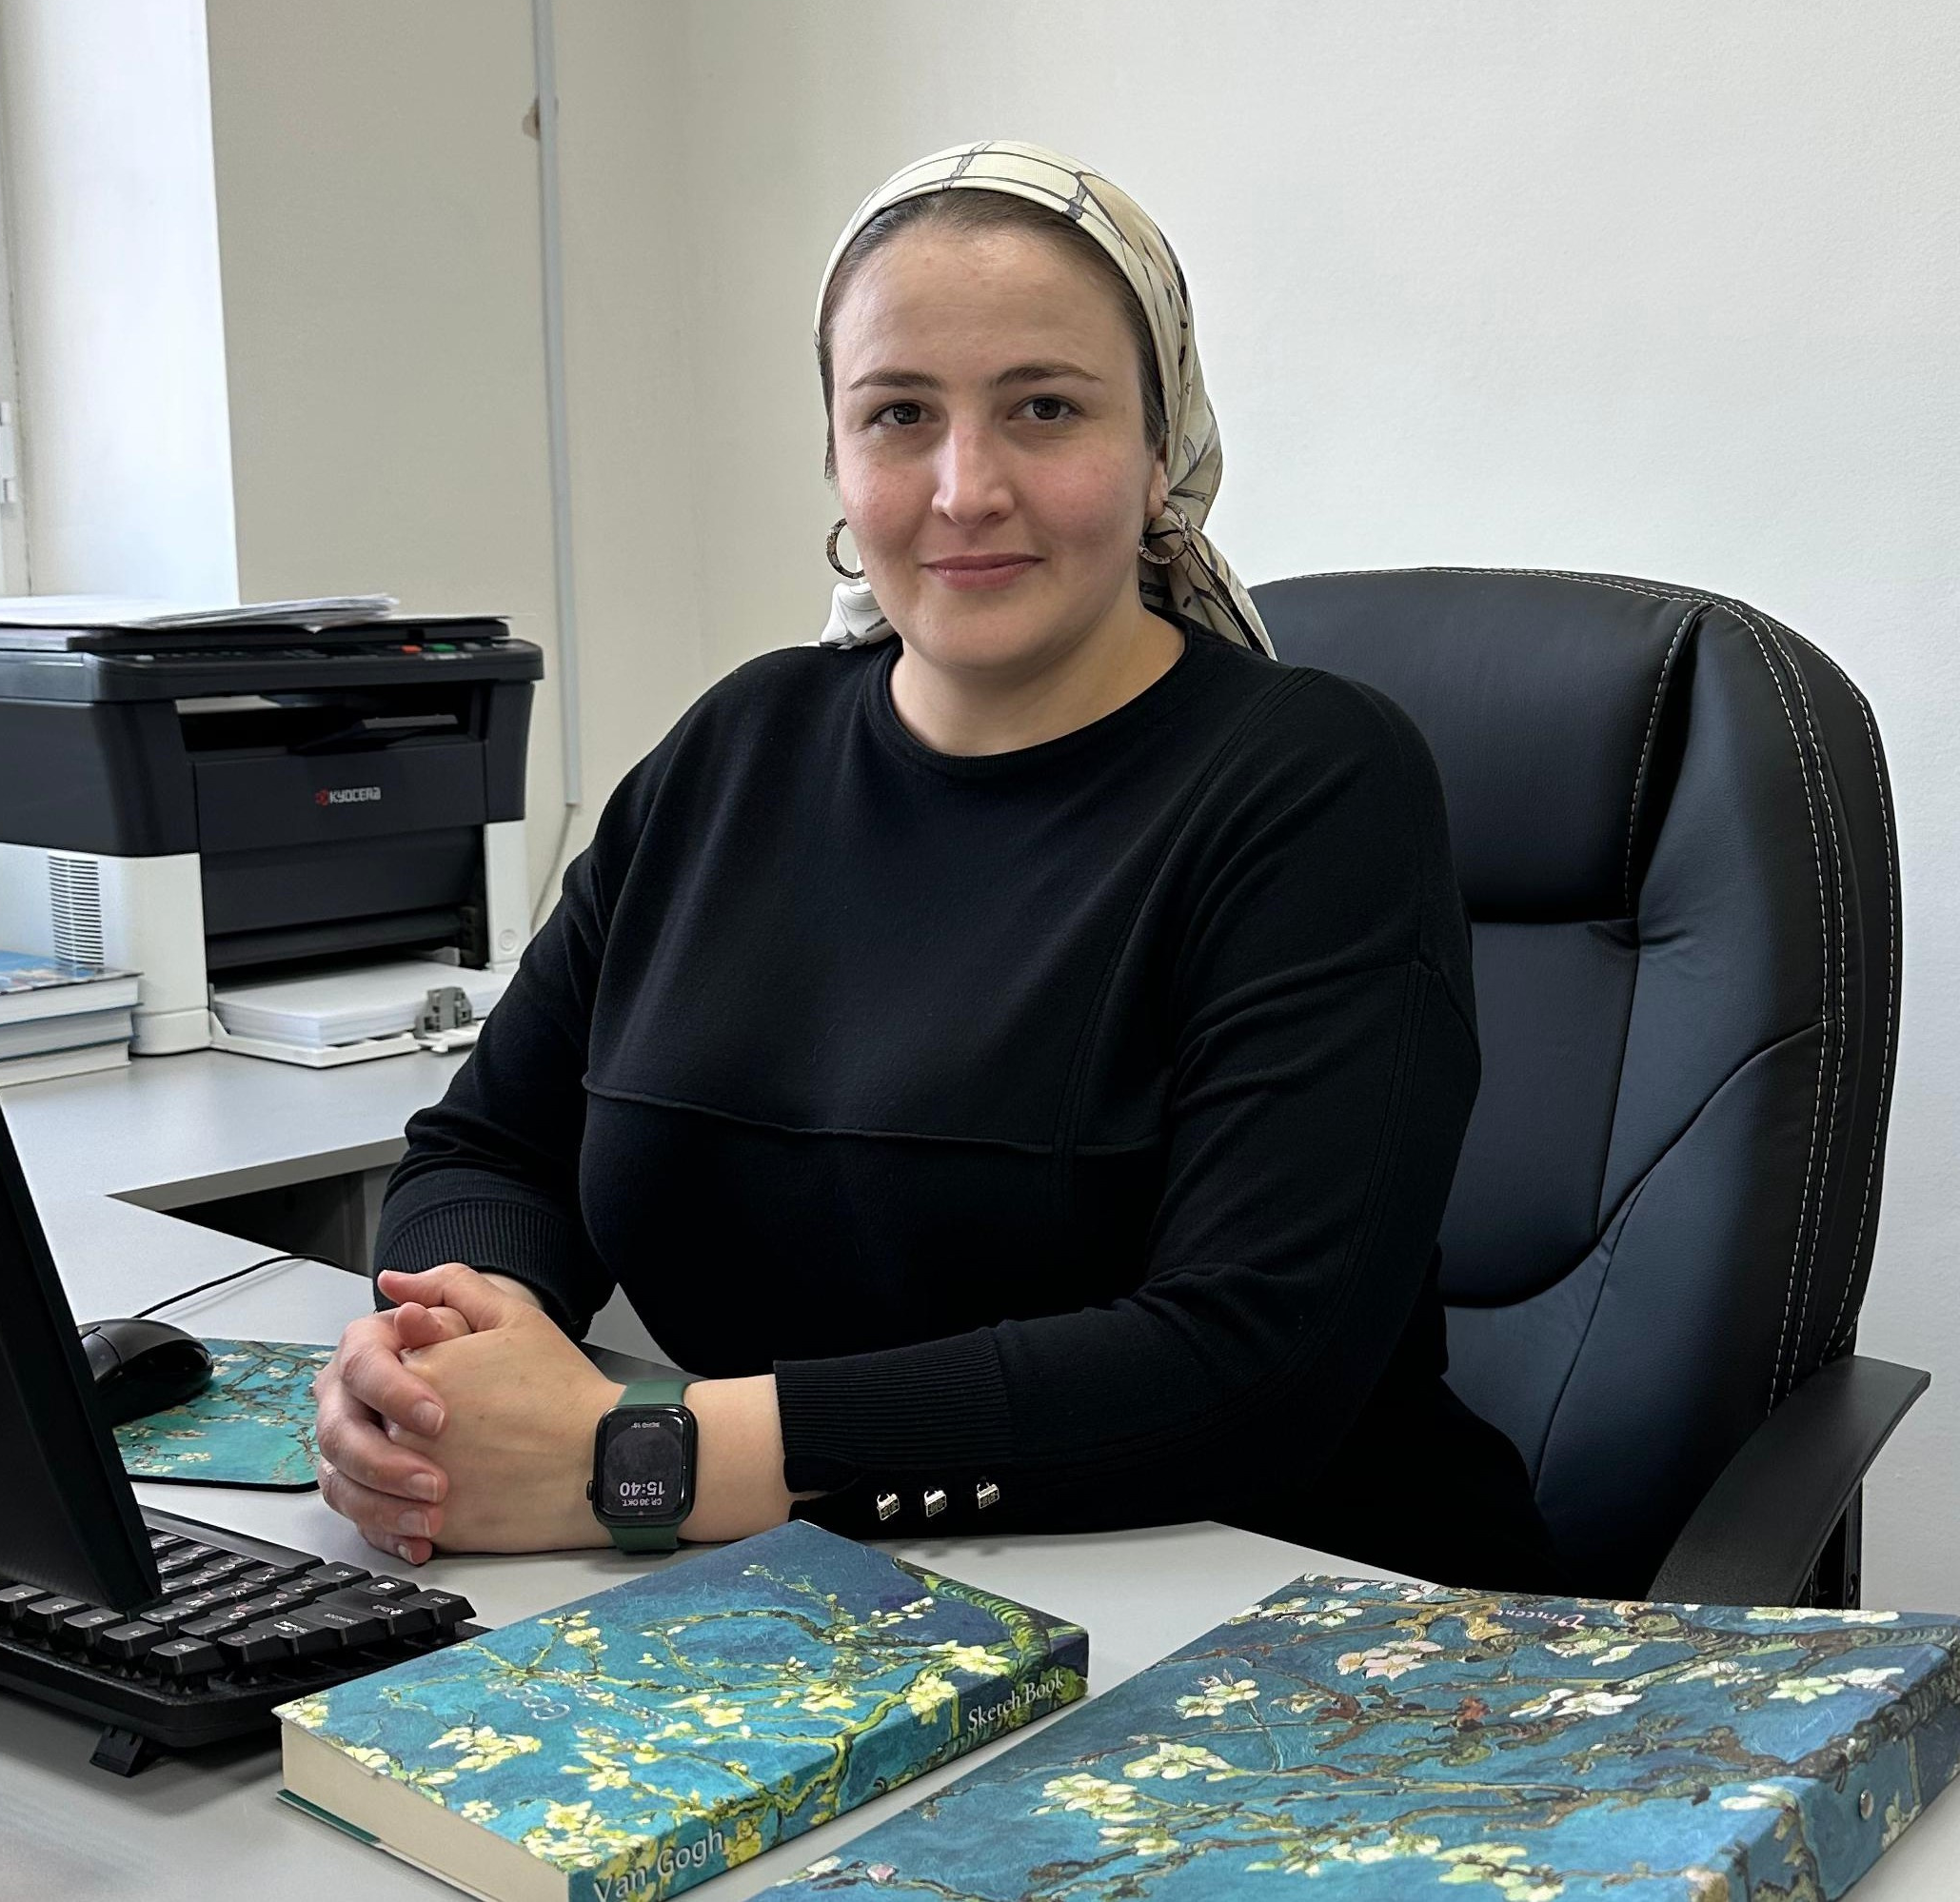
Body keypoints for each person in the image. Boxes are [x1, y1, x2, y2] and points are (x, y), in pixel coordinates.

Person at [311, 141, 1555, 1591]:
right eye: (900, 413)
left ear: (1162, 449)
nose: (967, 488)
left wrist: (637, 1457)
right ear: (839, 458)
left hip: (1274, 1615)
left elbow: (1250, 1364)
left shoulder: (1314, 783)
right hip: (806, 1599)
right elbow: (492, 1148)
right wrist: (443, 1363)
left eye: (1045, 407)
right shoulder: (738, 750)